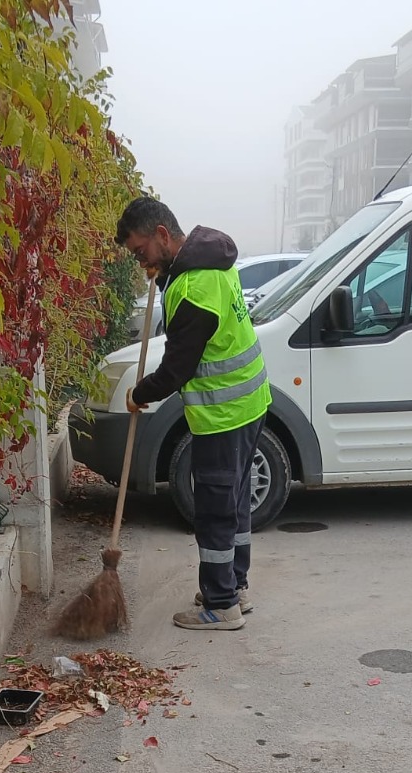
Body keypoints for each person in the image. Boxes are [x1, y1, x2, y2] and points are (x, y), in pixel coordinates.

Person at [114, 197, 272, 631]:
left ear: (162, 236)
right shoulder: (210, 262)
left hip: (224, 414)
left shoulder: (195, 288)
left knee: (216, 511)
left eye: (141, 252)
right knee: (236, 502)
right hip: (251, 403)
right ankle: (234, 587)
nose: (141, 262)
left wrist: (138, 393)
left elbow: (177, 369)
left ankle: (221, 605)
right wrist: (162, 276)